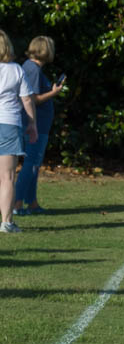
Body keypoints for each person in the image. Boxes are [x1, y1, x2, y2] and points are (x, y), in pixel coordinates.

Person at [15, 36, 65, 215]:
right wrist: (53, 93)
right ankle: (17, 203)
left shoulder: (31, 68)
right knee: (30, 163)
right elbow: (33, 99)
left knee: (34, 163)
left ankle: (32, 202)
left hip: (38, 124)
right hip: (34, 124)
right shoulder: (33, 70)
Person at [0, 30, 36, 233]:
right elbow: (27, 99)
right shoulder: (15, 70)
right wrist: (32, 124)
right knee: (7, 177)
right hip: (8, 123)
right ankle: (6, 222)